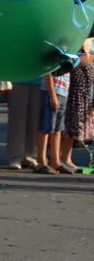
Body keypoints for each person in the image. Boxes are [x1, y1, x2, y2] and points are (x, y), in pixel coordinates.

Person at [62, 39, 93, 173]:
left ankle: (66, 158)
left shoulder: (90, 45)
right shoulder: (77, 48)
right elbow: (83, 61)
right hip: (76, 94)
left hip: (87, 93)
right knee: (72, 129)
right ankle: (65, 158)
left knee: (79, 129)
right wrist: (87, 54)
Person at [35, 70, 70, 174]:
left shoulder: (68, 54)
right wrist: (52, 95)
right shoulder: (54, 54)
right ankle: (41, 162)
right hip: (50, 91)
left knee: (57, 129)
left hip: (63, 91)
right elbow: (48, 72)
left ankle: (56, 161)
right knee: (45, 128)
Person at [6, 77, 43, 170]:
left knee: (35, 122)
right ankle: (15, 157)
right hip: (18, 78)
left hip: (40, 80)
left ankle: (30, 156)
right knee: (17, 120)